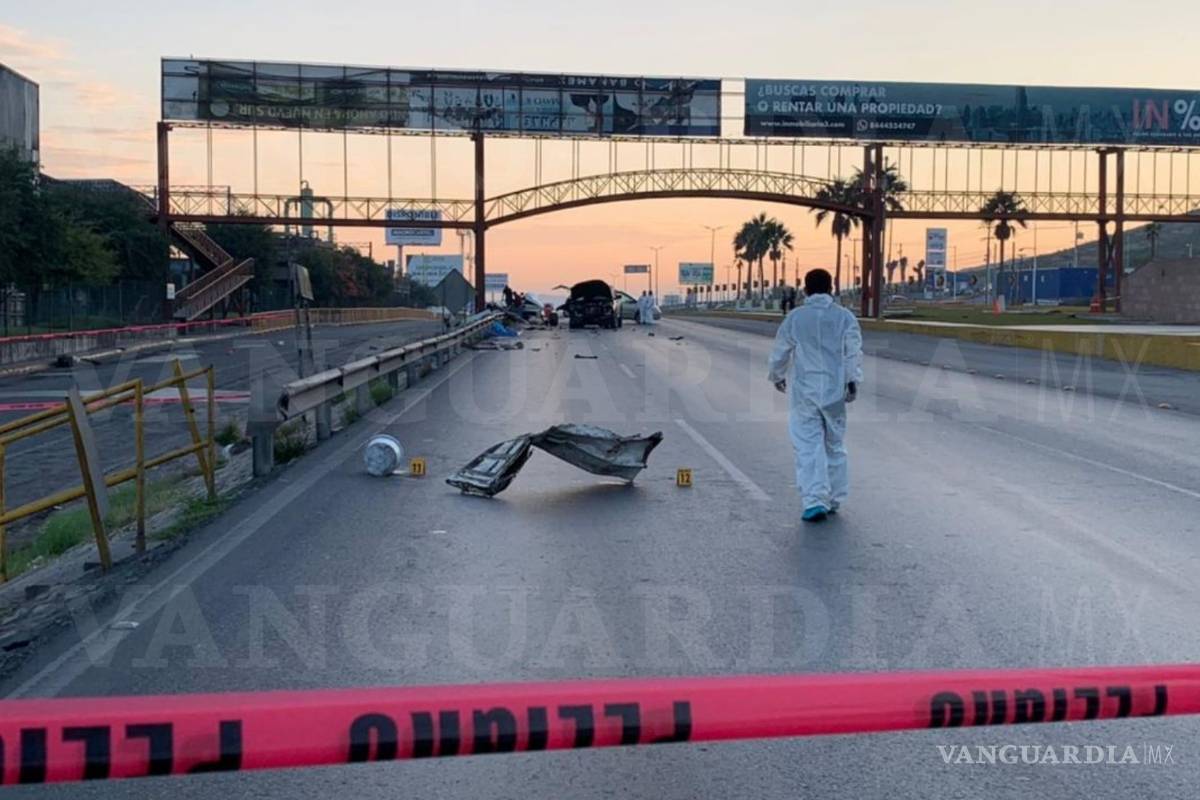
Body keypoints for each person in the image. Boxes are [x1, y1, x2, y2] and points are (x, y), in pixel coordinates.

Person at [767, 268, 863, 523]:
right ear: (831, 288)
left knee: (808, 445)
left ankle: (814, 500)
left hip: (805, 392)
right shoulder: (844, 317)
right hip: (834, 391)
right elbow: (853, 352)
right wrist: (852, 381)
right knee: (834, 444)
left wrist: (777, 375)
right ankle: (834, 497)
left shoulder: (796, 318)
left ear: (805, 290)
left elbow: (781, 350)